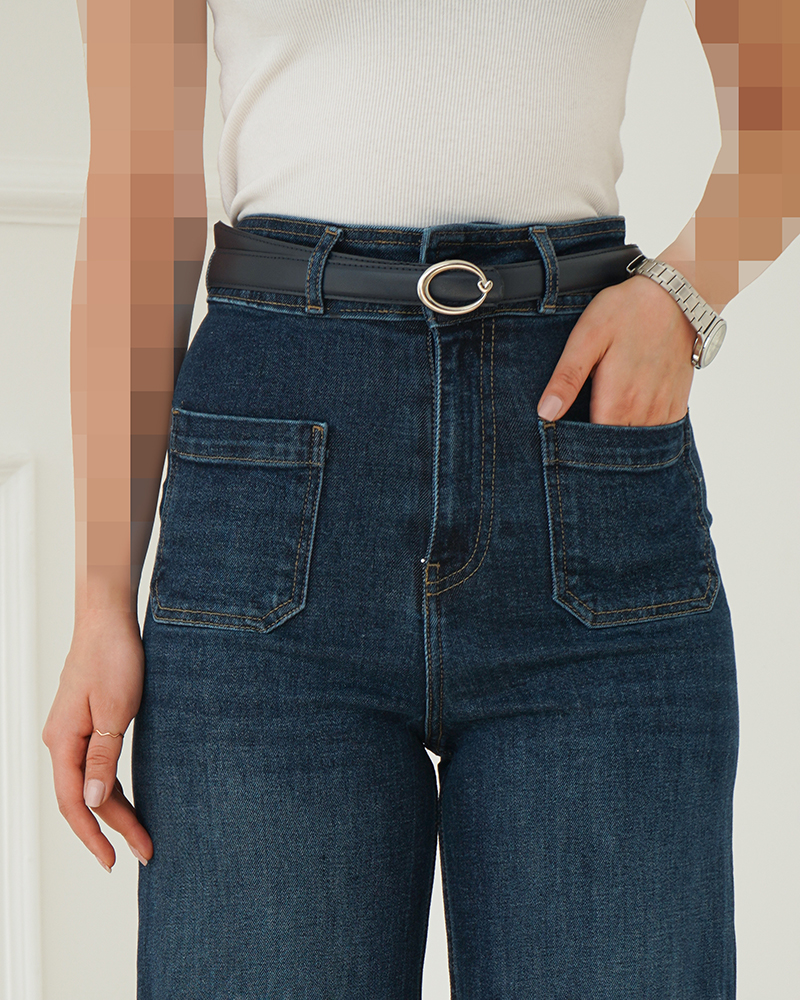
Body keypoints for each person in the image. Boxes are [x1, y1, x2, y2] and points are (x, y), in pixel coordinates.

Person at [41, 0, 794, 996]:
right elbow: (140, 194)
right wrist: (101, 597)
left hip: (577, 453)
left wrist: (684, 298)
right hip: (273, 481)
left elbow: (784, 100)